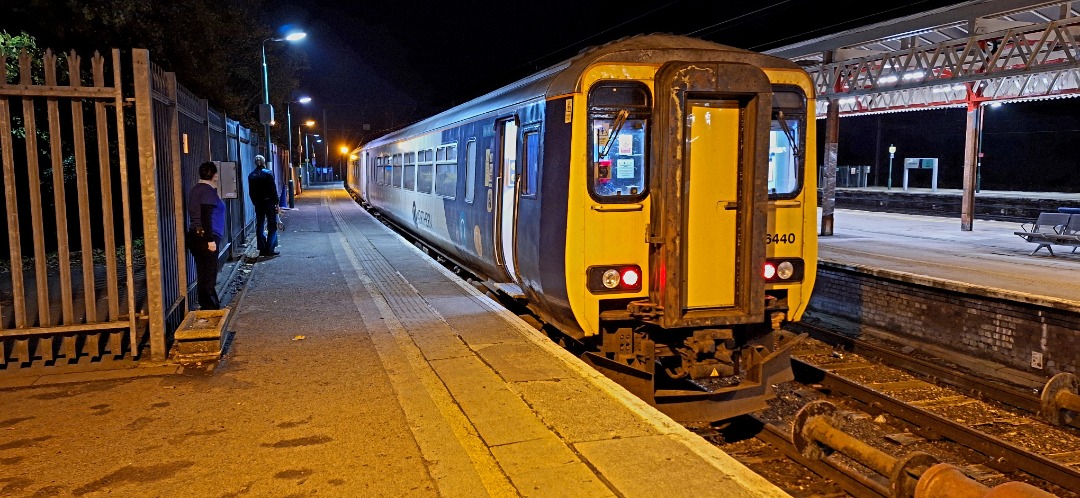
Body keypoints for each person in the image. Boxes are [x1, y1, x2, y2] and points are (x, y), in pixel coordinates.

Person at [186, 161, 225, 310]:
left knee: (203, 273)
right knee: (209, 275)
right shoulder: (208, 192)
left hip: (195, 236)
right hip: (206, 237)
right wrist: (210, 240)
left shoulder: (195, 189)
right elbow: (206, 216)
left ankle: (210, 305)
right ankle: (210, 308)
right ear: (215, 175)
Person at [248, 155, 280, 257]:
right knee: (272, 225)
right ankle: (270, 249)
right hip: (269, 202)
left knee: (260, 225)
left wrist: (255, 202)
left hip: (258, 203)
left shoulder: (251, 175)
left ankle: (261, 248)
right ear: (264, 162)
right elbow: (273, 190)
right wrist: (276, 202)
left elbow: (251, 192)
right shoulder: (268, 174)